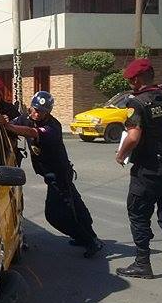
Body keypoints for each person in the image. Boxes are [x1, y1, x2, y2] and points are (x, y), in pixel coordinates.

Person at [114, 58, 162, 285]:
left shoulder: (136, 103)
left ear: (137, 80)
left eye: (130, 80)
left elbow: (134, 136)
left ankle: (142, 263)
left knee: (138, 214)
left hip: (148, 170)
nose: (130, 83)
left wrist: (120, 156)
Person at [8, 91, 103, 257]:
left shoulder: (53, 126)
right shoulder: (27, 118)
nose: (37, 113)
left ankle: (89, 240)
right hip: (50, 176)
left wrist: (9, 126)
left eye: (42, 111)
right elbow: (13, 125)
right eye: (35, 109)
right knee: (76, 206)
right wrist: (4, 123)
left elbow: (32, 133)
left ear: (48, 112)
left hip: (59, 175)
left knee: (56, 214)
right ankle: (87, 237)